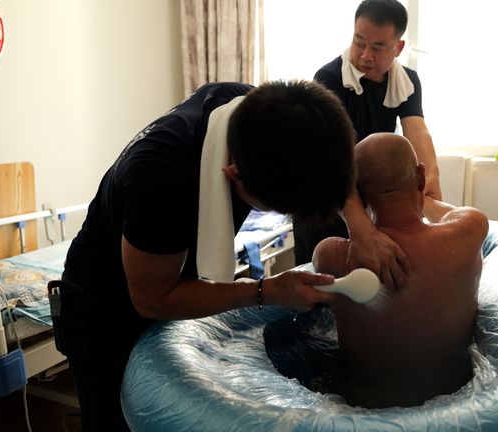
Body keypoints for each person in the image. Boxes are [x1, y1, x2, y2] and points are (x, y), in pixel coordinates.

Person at [55, 80, 406, 431]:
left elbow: (325, 161)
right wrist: (265, 291)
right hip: (103, 309)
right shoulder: (161, 177)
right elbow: (153, 300)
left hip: (161, 271)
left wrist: (362, 229)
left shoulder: (257, 112)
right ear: (233, 175)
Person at [312, 132, 488, 408]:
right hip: (455, 405)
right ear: (420, 176)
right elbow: (453, 212)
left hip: (363, 408)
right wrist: (424, 197)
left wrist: (356, 220)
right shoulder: (468, 231)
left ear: (354, 194)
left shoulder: (332, 256)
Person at [295, 0, 442, 266]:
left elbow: (417, 132)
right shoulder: (329, 79)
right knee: (323, 281)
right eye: (359, 42)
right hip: (326, 193)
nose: (365, 55)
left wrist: (431, 191)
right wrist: (361, 227)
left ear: (398, 48)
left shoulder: (406, 81)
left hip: (364, 193)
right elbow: (333, 158)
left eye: (377, 47)